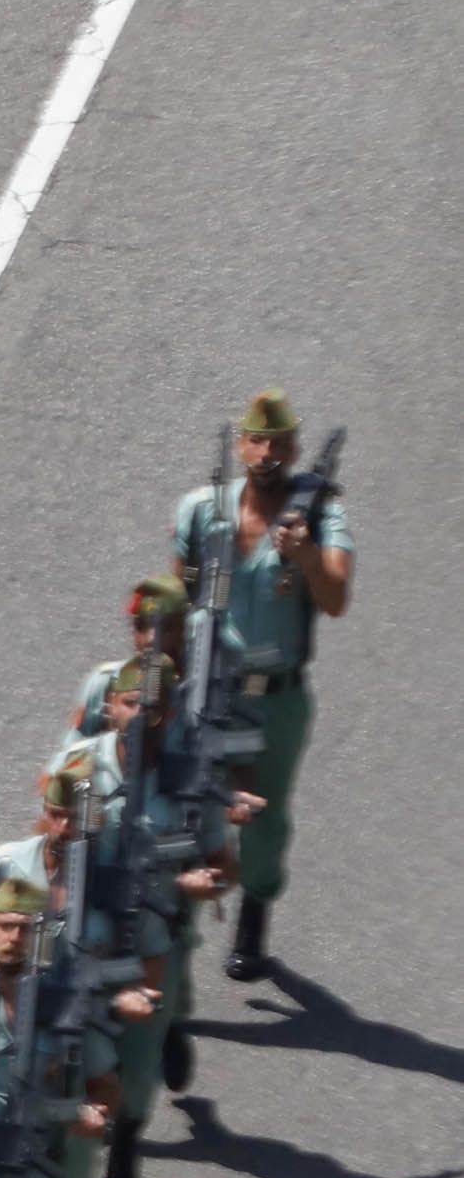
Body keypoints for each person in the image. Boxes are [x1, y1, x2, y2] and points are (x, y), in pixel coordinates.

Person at [175, 389, 351, 977]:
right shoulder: (203, 510)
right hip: (208, 684)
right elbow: (179, 595)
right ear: (241, 444)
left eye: (279, 442)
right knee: (187, 802)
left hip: (275, 700)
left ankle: (254, 912)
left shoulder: (321, 516)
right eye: (257, 439)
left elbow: (335, 600)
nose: (268, 452)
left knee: (263, 819)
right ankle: (170, 924)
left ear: (295, 448)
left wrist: (305, 559)